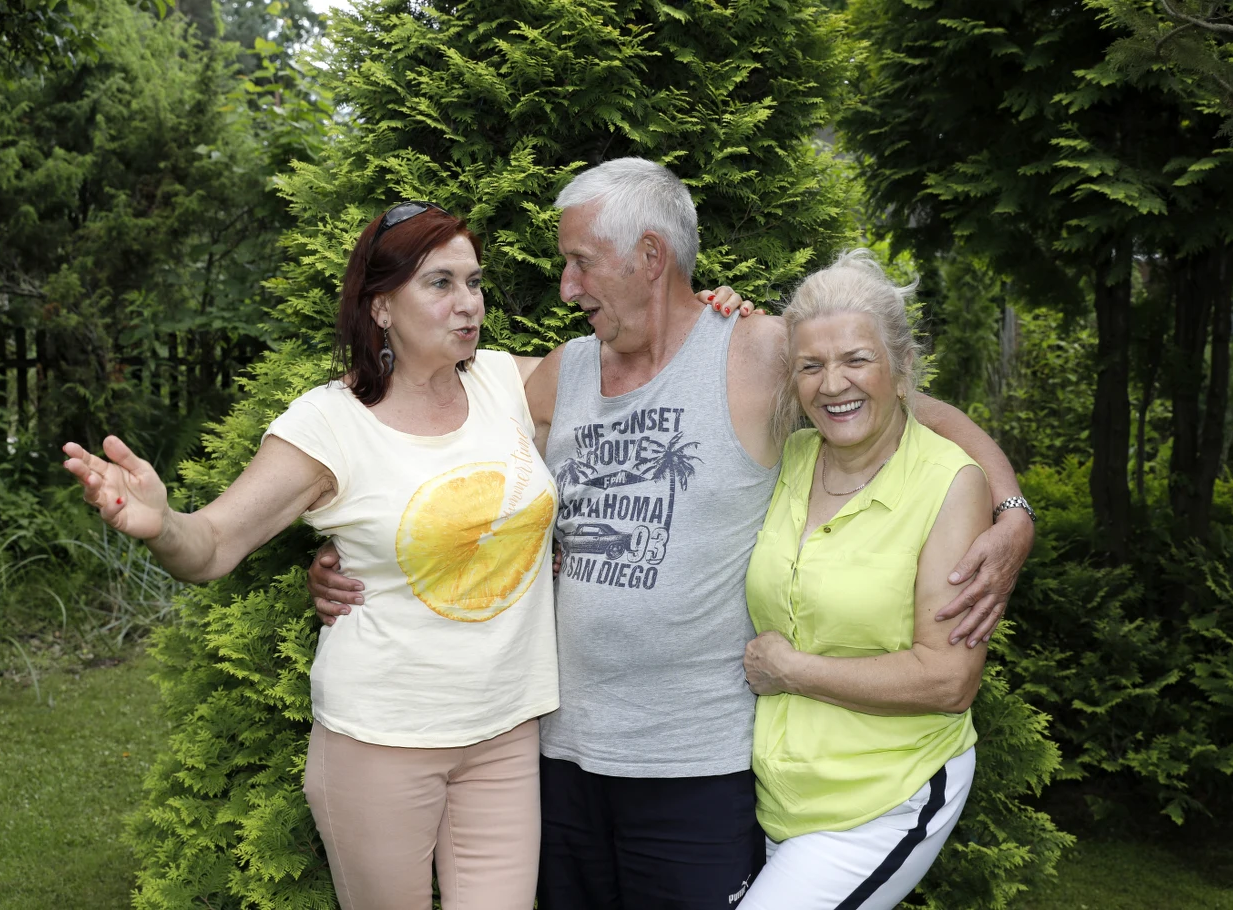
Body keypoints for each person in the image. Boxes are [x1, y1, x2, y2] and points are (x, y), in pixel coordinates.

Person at [309, 158, 1037, 910]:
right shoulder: (565, 371)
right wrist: (356, 548)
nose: (567, 285)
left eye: (581, 262)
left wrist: (1011, 513)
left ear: (650, 258)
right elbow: (430, 429)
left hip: (697, 770)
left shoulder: (754, 351)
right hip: (562, 760)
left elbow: (905, 407)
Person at [61, 204, 562, 910]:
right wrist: (160, 522)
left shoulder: (508, 385)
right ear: (381, 306)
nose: (469, 304)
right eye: (441, 284)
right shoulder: (328, 424)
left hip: (507, 733)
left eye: (475, 282)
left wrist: (707, 315)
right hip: (381, 741)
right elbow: (211, 546)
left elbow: (636, 367)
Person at [738, 249, 996, 909]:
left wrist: (790, 669)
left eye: (857, 360)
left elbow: (949, 680)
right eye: (811, 366)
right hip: (782, 799)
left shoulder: (949, 484)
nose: (833, 385)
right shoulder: (791, 458)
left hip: (887, 797)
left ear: (904, 368)